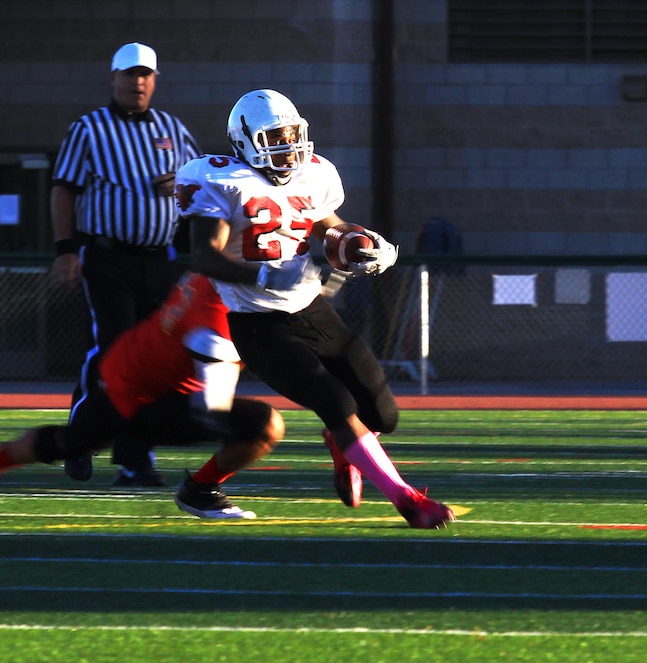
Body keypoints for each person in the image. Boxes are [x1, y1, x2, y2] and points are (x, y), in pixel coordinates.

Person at [175, 88, 455, 529]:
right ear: (246, 140)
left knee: (382, 414)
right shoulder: (221, 179)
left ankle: (344, 446)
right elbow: (205, 257)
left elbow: (331, 229)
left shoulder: (315, 174)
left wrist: (363, 246)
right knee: (336, 402)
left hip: (313, 309)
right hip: (258, 323)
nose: (288, 146)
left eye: (291, 134)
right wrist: (261, 275)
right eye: (275, 137)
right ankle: (406, 500)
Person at [0, 273, 283, 520]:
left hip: (130, 373)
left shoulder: (211, 279)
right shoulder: (218, 312)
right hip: (145, 393)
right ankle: (201, 491)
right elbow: (211, 406)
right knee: (265, 426)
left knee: (71, 442)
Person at [50, 41, 202, 488]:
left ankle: (135, 460)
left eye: (146, 75)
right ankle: (78, 441)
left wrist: (181, 186)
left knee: (152, 362)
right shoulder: (89, 129)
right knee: (113, 352)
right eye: (130, 74)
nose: (138, 82)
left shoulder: (172, 128)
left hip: (160, 262)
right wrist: (65, 249)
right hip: (108, 257)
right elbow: (63, 189)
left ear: (155, 80)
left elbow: (201, 183)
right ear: (112, 77)